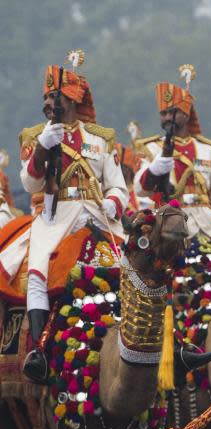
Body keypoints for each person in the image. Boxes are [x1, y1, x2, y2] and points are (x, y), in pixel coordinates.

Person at [17, 56, 128, 382]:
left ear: (74, 100)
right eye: (47, 97)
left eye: (57, 97)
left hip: (96, 217)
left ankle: (161, 348)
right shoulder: (35, 136)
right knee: (36, 274)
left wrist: (112, 203)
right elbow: (29, 184)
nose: (50, 103)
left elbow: (119, 186)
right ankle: (39, 350)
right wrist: (41, 148)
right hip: (54, 218)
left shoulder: (101, 139)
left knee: (134, 271)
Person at [133, 65, 211, 241]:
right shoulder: (151, 149)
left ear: (187, 114)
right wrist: (156, 168)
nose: (168, 118)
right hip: (169, 228)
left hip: (209, 227)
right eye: (163, 113)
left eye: (172, 113)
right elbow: (140, 189)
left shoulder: (208, 150)